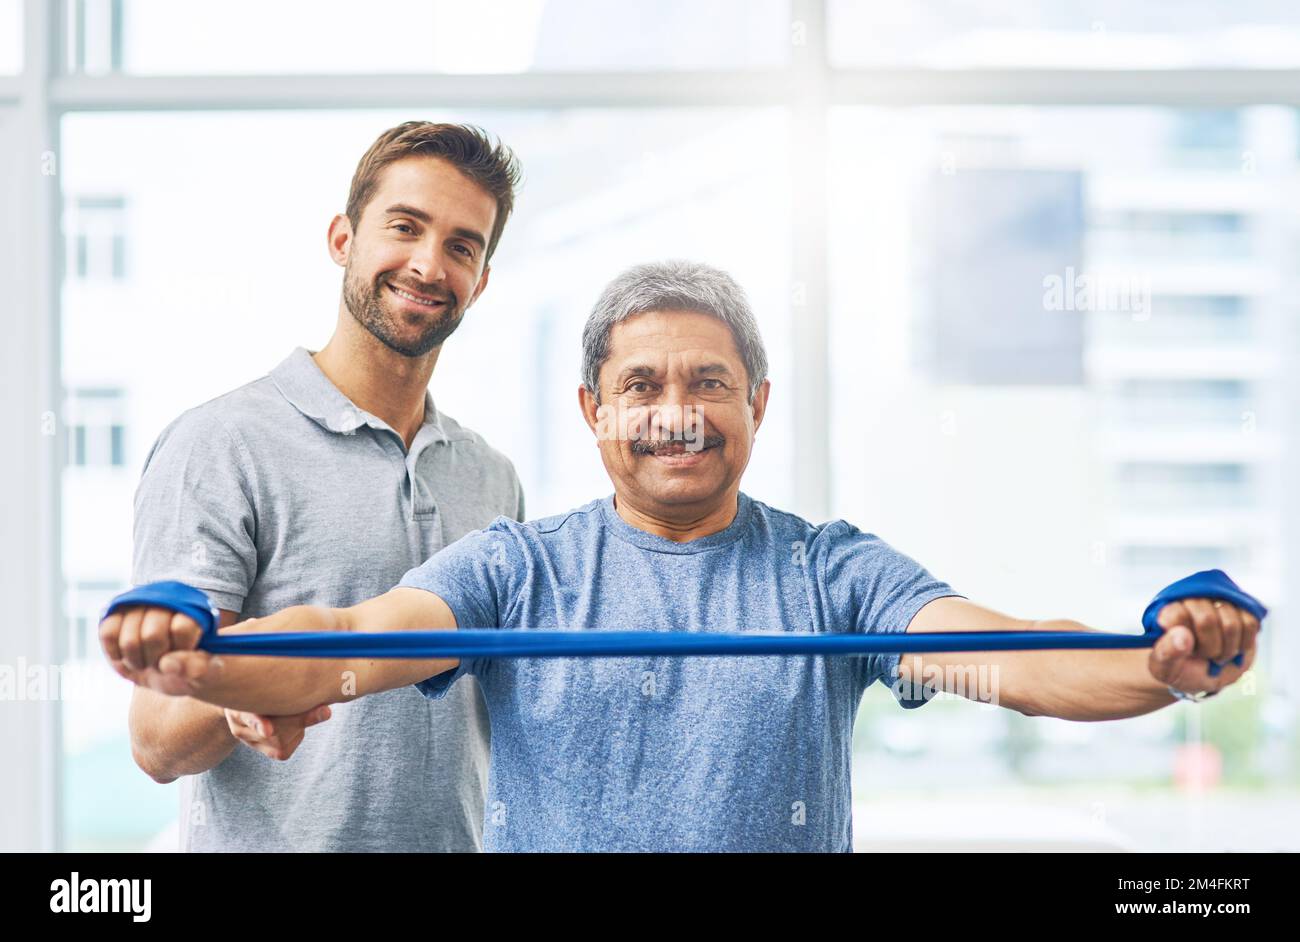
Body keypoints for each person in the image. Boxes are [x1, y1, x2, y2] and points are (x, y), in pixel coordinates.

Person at [104, 260, 1263, 852]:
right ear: (591, 410)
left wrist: (1164, 662)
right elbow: (348, 646)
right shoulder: (515, 570)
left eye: (709, 382)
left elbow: (1013, 661)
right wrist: (201, 657)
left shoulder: (829, 574)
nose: (677, 412)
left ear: (757, 403)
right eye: (641, 386)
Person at [124, 122, 524, 851]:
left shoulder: (491, 477)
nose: (429, 265)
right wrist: (243, 693)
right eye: (405, 227)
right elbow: (156, 740)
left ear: (482, 280)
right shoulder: (219, 444)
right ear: (343, 239)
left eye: (462, 246)